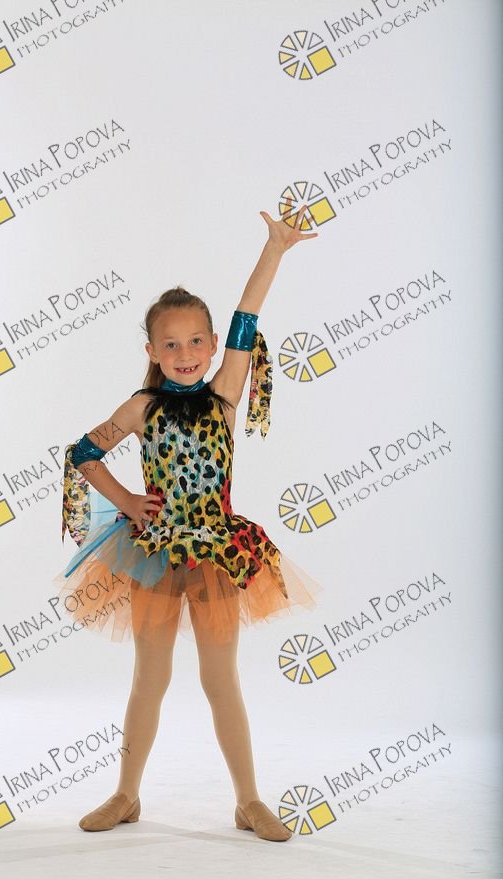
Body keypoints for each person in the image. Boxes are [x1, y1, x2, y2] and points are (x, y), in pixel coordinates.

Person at [53, 203, 323, 842]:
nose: (185, 353)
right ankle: (126, 794)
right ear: (151, 350)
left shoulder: (225, 393)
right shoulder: (141, 406)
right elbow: (83, 453)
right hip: (153, 551)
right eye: (170, 343)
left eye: (196, 340)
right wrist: (126, 500)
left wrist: (274, 249)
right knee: (150, 677)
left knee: (220, 678)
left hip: (217, 554)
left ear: (212, 345)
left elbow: (247, 317)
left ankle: (248, 800)